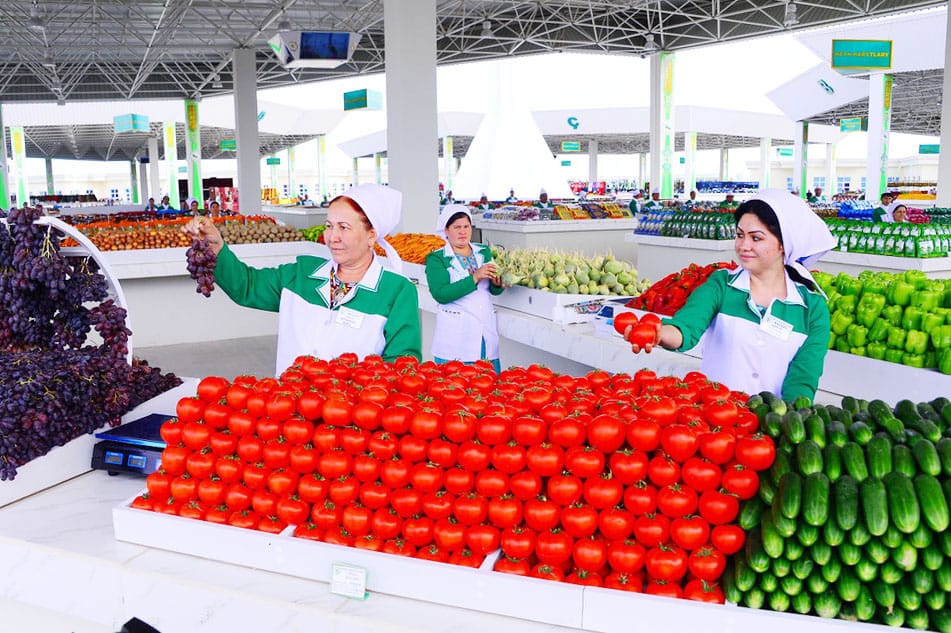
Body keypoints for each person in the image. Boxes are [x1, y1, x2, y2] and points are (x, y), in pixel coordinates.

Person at [182, 183, 422, 375]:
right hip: (290, 415)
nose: (332, 237)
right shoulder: (301, 273)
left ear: (371, 235)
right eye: (329, 226)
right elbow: (246, 286)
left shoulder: (397, 291)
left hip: (352, 425)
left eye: (344, 227)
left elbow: (401, 369)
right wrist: (217, 246)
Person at [625, 189, 836, 401]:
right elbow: (687, 327)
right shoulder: (722, 284)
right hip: (716, 421)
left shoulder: (813, 309)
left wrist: (788, 423)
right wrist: (658, 334)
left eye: (756, 238)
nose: (744, 246)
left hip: (771, 426)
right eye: (739, 235)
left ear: (783, 244)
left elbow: (803, 379)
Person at [425, 204, 505, 372]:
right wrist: (475, 277)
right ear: (446, 231)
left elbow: (491, 290)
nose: (462, 232)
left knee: (488, 387)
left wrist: (498, 285)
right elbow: (441, 294)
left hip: (484, 330)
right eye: (457, 227)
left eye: (466, 226)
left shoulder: (483, 251)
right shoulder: (436, 258)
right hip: (456, 335)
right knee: (455, 389)